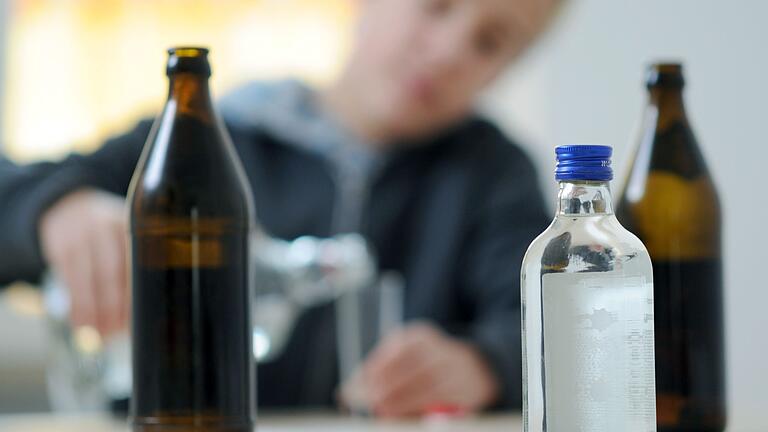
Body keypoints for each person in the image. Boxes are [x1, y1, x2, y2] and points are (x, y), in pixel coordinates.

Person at [0, 0, 559, 417]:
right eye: (436, 7)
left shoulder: (493, 176)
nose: (448, 50)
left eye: (489, 41)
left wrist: (483, 363)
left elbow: (550, 325)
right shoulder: (206, 133)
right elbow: (16, 189)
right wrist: (53, 209)